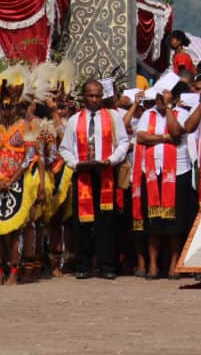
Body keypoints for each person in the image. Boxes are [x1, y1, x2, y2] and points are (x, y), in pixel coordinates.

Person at [58, 79, 130, 280]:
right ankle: (83, 265)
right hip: (83, 175)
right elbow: (64, 148)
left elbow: (123, 142)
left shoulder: (112, 117)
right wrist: (75, 164)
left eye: (97, 95)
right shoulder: (74, 120)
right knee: (82, 221)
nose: (94, 99)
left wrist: (111, 160)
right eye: (90, 95)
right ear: (84, 96)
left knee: (106, 221)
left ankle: (107, 265)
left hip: (105, 172)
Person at [0, 65, 41, 286]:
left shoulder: (25, 127)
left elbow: (29, 157)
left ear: (16, 105)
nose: (6, 111)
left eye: (10, 106)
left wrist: (12, 180)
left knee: (15, 229)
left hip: (17, 183)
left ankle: (13, 271)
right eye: (2, 107)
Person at [132, 91, 194, 279]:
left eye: (165, 99)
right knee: (154, 223)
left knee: (174, 223)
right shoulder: (147, 114)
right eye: (159, 98)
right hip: (151, 171)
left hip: (177, 171)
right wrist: (165, 138)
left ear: (173, 99)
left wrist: (169, 109)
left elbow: (176, 132)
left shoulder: (181, 113)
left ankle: (174, 264)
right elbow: (142, 137)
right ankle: (152, 264)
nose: (160, 102)